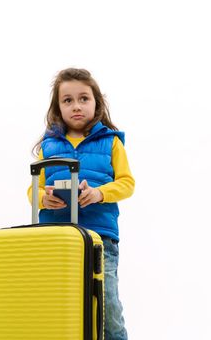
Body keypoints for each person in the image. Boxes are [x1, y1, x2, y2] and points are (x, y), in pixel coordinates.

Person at [28, 67, 134, 340]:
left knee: (107, 305)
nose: (76, 106)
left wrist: (99, 193)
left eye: (84, 98)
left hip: (100, 237)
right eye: (68, 100)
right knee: (58, 305)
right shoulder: (48, 147)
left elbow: (126, 183)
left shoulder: (111, 142)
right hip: (56, 237)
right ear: (58, 107)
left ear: (97, 103)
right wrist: (43, 198)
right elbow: (33, 188)